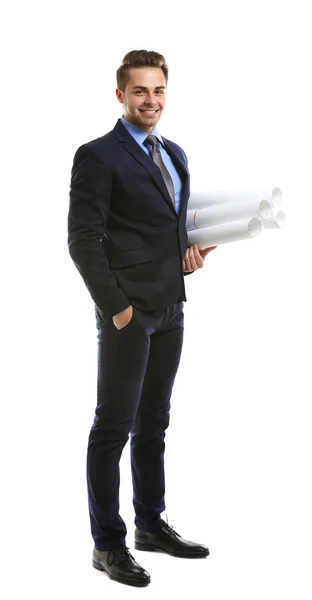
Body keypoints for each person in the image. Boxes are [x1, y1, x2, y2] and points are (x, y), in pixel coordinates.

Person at [68, 49, 217, 587]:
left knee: (155, 422)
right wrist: (119, 310)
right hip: (128, 314)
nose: (150, 101)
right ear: (120, 95)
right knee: (114, 427)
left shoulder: (173, 153)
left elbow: (167, 230)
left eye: (158, 91)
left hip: (172, 306)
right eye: (139, 91)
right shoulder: (98, 156)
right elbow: (82, 242)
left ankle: (150, 526)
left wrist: (189, 256)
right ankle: (107, 544)